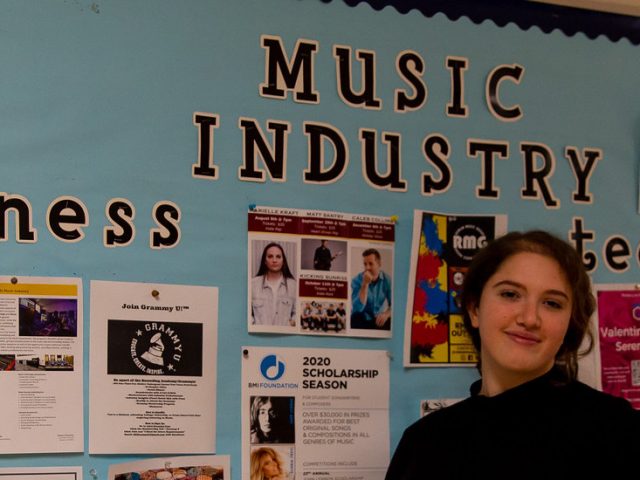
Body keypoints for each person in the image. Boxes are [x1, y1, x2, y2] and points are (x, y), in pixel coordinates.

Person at [385, 230, 640, 479]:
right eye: (510, 294)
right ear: (474, 309)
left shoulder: (614, 428)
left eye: (552, 303)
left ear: (569, 323)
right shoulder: (424, 442)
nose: (530, 318)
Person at [251, 242, 296, 326]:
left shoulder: (294, 286)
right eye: (270, 256)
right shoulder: (253, 284)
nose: (274, 260)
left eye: (278, 257)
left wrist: (291, 324)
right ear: (265, 261)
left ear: (283, 261)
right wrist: (253, 324)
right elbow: (246, 314)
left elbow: (297, 313)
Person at [351, 248, 392, 330]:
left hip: (378, 318)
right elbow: (358, 308)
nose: (367, 268)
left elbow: (394, 304)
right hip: (360, 318)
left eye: (371, 264)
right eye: (365, 264)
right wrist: (365, 284)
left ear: (379, 264)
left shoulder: (387, 280)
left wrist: (386, 314)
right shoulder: (356, 280)